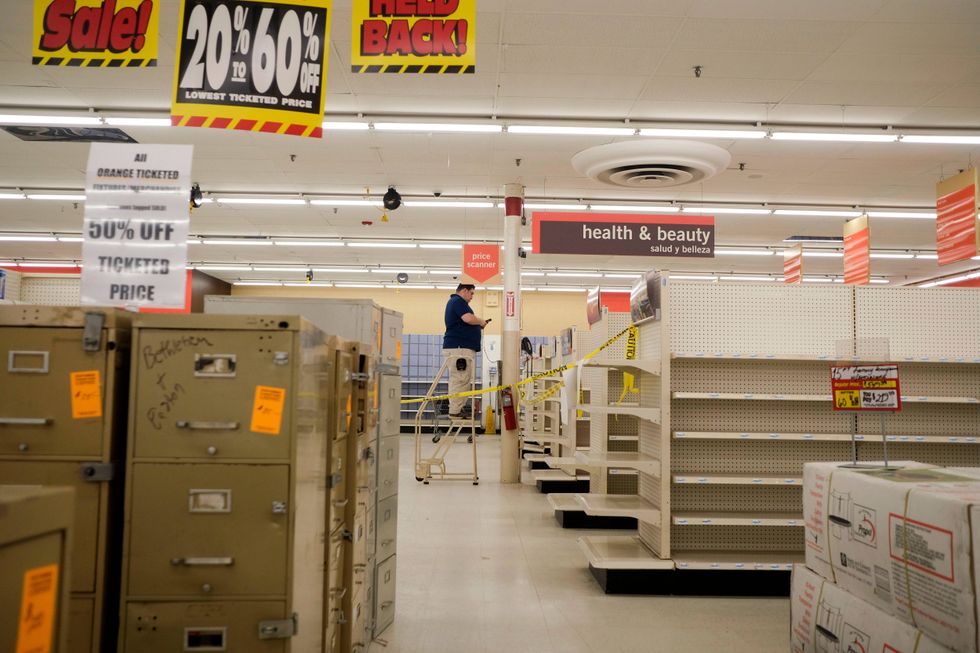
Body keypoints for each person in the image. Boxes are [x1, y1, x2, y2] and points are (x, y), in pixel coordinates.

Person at [443, 283, 489, 419]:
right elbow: (468, 318)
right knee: (460, 379)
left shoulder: (455, 303)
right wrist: (480, 321)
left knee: (462, 379)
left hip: (460, 348)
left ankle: (457, 409)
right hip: (459, 348)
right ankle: (455, 411)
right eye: (472, 293)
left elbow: (465, 321)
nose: (472, 297)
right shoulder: (458, 301)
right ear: (464, 291)